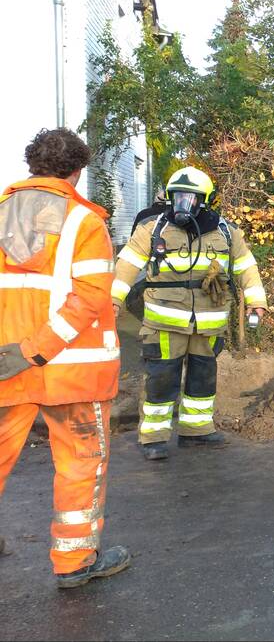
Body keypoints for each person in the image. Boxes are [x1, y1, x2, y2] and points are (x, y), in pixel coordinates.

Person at [0, 128, 130, 588]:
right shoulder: (83, 222)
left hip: (5, 367)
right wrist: (35, 352)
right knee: (79, 462)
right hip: (69, 371)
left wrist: (15, 354)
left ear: (32, 166)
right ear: (77, 172)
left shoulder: (0, 216)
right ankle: (75, 562)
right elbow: (90, 298)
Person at [111, 167, 268, 461]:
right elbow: (126, 266)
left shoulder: (226, 232)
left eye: (191, 197)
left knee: (203, 378)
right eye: (178, 197)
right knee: (160, 379)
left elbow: (247, 268)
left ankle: (197, 432)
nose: (184, 203)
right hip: (164, 323)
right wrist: (113, 302)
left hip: (208, 324)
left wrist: (257, 301)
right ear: (169, 197)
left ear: (206, 200)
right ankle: (153, 438)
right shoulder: (152, 229)